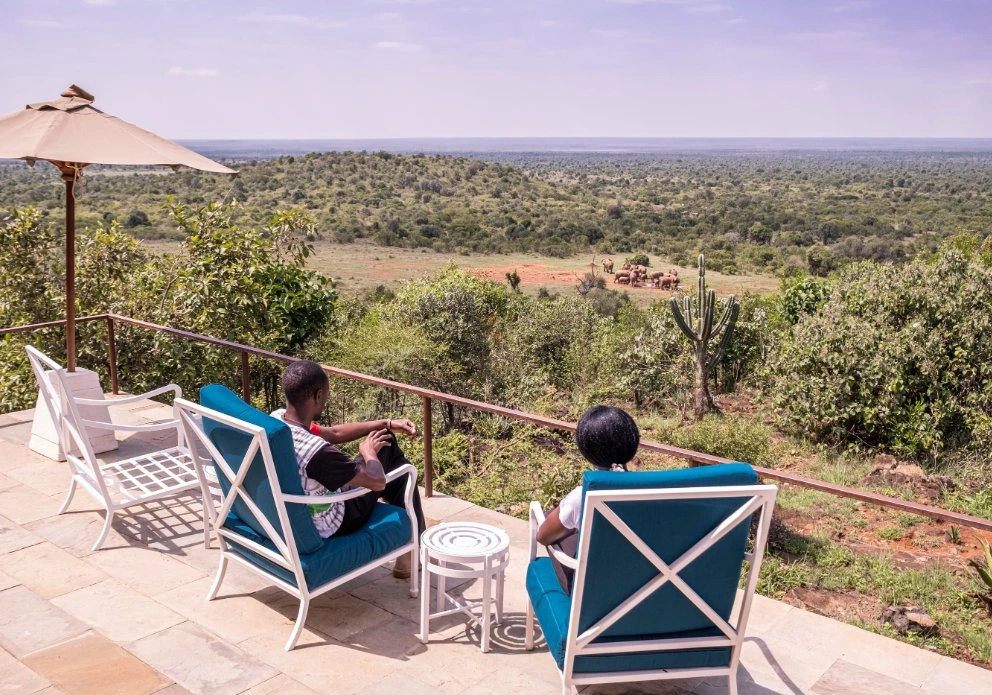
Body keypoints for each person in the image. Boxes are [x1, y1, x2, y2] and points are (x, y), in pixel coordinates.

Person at [272, 360, 426, 579]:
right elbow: (377, 481)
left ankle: (410, 554)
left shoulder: (278, 422)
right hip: (334, 519)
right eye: (325, 395)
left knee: (390, 450)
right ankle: (412, 551)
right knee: (394, 462)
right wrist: (368, 451)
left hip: (300, 504)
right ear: (317, 396)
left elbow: (334, 433)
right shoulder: (317, 453)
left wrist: (386, 423)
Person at [536, 405, 640, 592]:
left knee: (549, 518)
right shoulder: (655, 490)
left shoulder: (583, 496)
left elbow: (543, 537)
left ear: (587, 450)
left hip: (596, 593)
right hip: (642, 586)